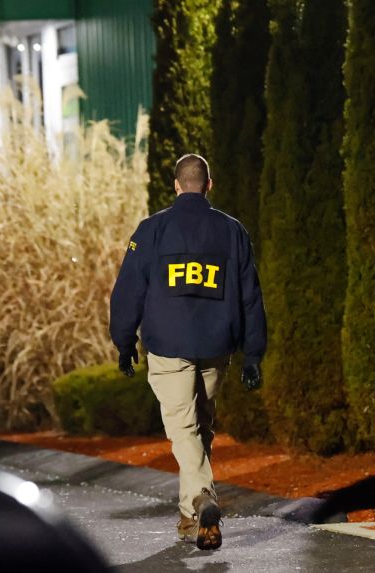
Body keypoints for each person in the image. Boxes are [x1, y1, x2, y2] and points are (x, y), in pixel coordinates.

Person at [110, 154, 267, 550]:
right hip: (216, 346)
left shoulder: (150, 231)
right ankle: (190, 516)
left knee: (183, 430)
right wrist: (253, 354)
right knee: (199, 429)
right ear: (208, 185)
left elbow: (128, 293)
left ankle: (202, 499)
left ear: (177, 185)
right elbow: (251, 297)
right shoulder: (233, 232)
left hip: (168, 346)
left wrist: (124, 343)